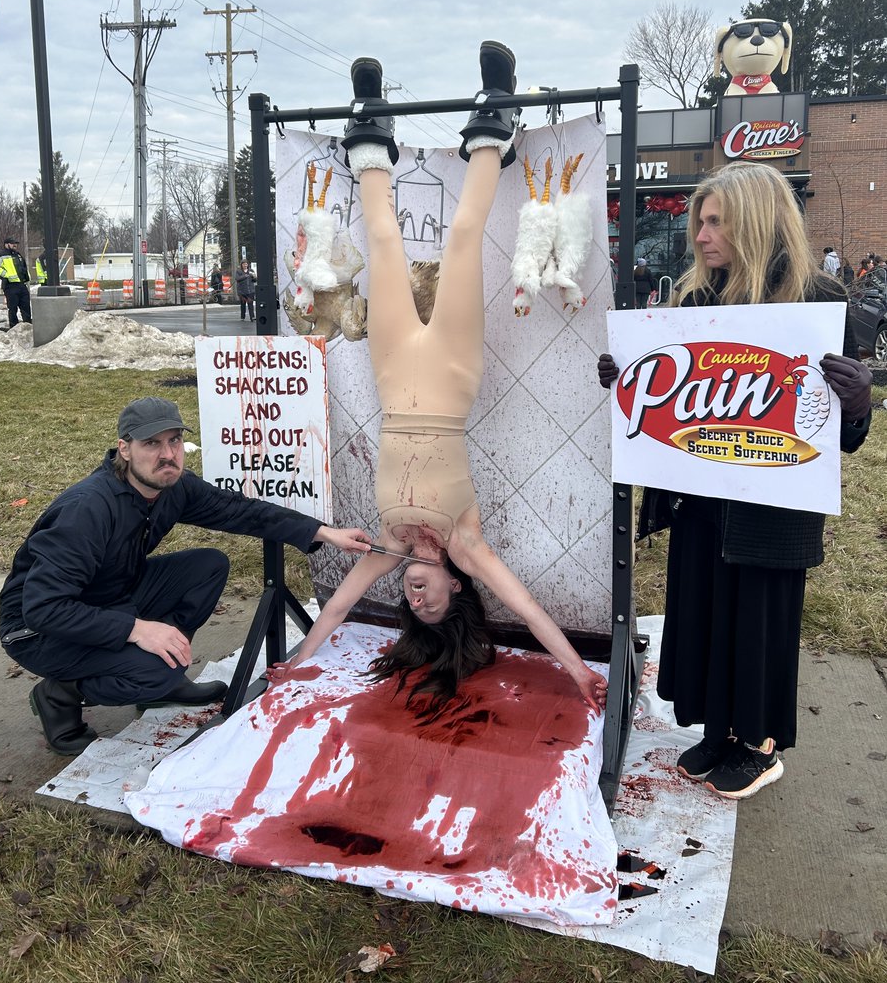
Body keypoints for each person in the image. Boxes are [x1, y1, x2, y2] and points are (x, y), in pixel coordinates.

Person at [292, 44, 607, 716]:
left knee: (383, 244)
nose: (417, 598)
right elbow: (526, 605)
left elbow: (343, 601)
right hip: (454, 378)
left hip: (393, 371)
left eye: (414, 606)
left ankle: (369, 119)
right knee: (465, 239)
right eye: (431, 601)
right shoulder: (466, 543)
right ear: (457, 590)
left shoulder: (389, 545)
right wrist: (579, 671)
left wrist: (298, 662)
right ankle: (494, 111)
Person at [598, 162, 872, 799]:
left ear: (756, 222)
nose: (701, 234)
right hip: (701, 499)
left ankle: (760, 743)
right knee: (705, 610)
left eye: (716, 220)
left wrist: (857, 404)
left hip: (773, 508)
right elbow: (668, 399)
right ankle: (719, 728)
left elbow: (844, 437)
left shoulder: (821, 301)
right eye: (700, 220)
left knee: (758, 619)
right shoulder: (695, 302)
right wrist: (629, 379)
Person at [0, 396, 372, 755]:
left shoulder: (173, 485)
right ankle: (60, 693)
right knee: (154, 669)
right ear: (124, 449)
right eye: (152, 443)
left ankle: (160, 677)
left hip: (108, 592)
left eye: (174, 441)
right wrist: (138, 630)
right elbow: (43, 608)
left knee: (207, 567)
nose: (167, 454)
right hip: (37, 630)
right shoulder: (88, 510)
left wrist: (323, 532)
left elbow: (241, 511)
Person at [0, 236, 32, 327]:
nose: (15, 245)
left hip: (21, 285)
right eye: (12, 243)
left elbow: (23, 267)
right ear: (7, 244)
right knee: (12, 308)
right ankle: (13, 327)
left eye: (15, 243)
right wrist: (7, 275)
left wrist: (27, 278)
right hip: (10, 285)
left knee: (26, 306)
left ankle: (28, 326)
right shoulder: (0, 255)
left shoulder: (18, 255)